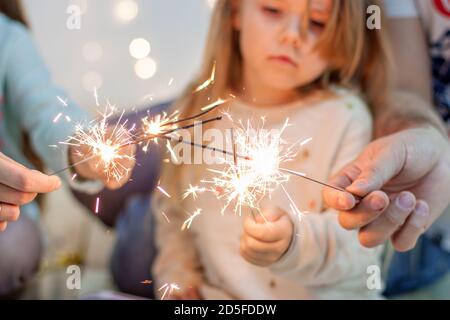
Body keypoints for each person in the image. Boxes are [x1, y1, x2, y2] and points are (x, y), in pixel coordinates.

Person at [152, 0, 390, 299]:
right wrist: (178, 279)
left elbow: (357, 246)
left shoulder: (345, 118)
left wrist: (293, 244)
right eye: (273, 11)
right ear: (236, 11)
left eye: (317, 23)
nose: (292, 36)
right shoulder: (196, 112)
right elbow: (173, 214)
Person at [0, 1, 135, 297]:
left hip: (8, 224)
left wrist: (82, 146)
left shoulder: (8, 39)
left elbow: (47, 110)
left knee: (11, 247)